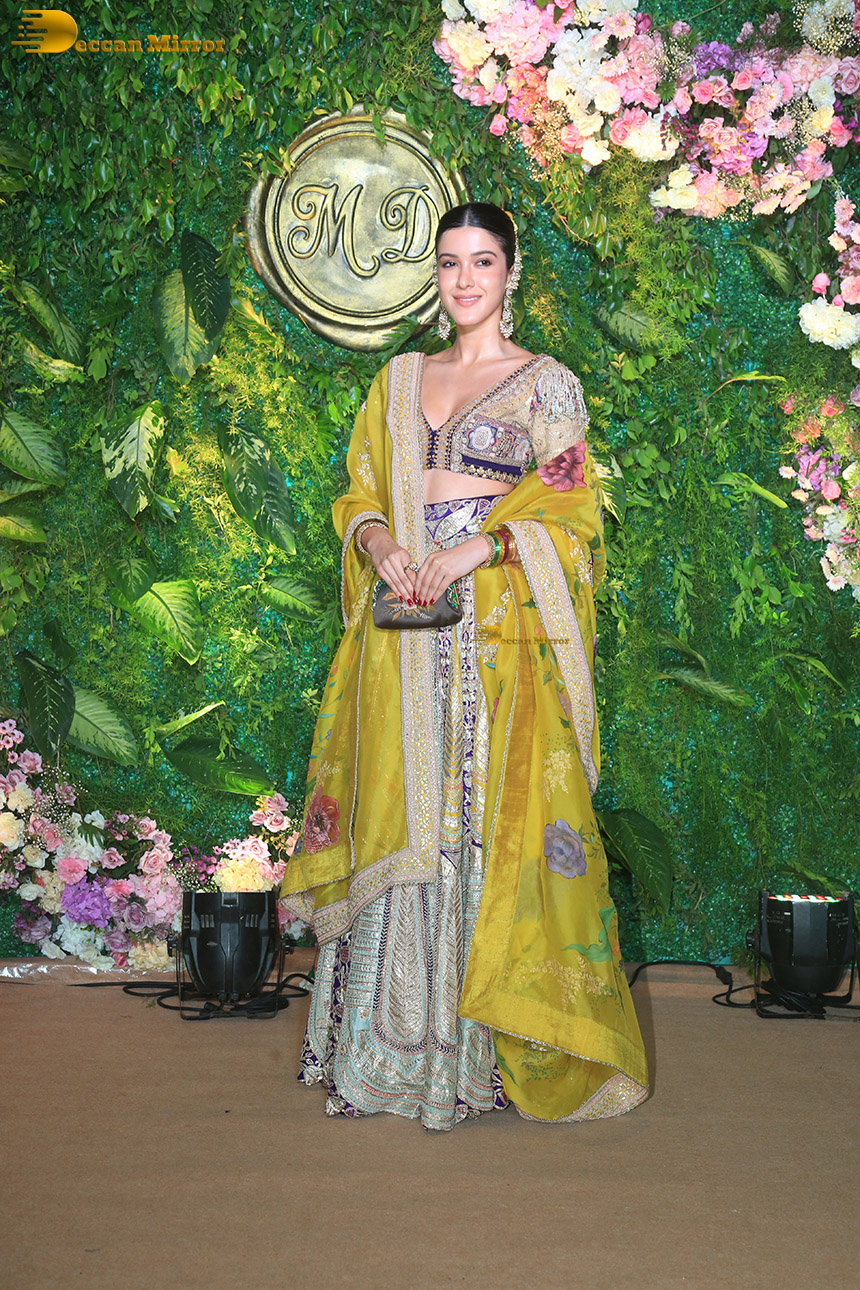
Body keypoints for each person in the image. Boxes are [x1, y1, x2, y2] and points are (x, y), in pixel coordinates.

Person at [281, 201, 648, 1129]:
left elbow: (571, 517)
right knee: (399, 810)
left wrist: (474, 551)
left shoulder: (546, 386)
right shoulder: (399, 379)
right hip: (400, 633)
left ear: (511, 271)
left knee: (477, 821)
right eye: (449, 262)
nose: (465, 279)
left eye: (483, 261)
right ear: (435, 275)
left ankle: (478, 1057)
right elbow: (360, 491)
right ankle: (387, 1056)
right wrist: (378, 544)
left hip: (494, 641)